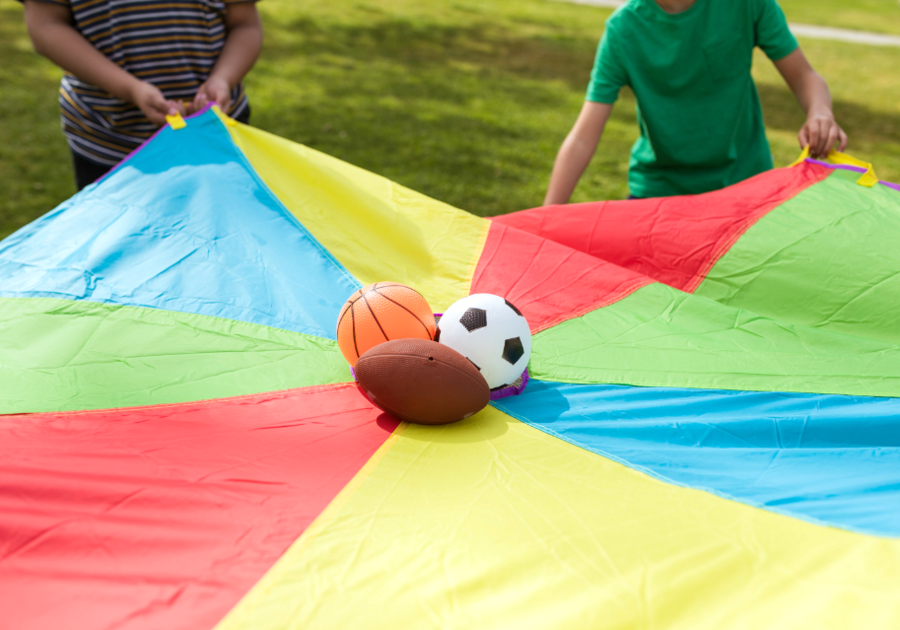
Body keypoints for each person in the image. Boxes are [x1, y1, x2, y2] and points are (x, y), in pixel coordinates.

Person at [544, 0, 848, 203]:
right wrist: (543, 220)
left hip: (748, 190)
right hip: (658, 196)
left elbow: (805, 76)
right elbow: (582, 138)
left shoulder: (747, 5)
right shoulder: (623, 30)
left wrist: (820, 112)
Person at [21, 0, 263, 190]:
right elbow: (45, 25)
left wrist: (223, 78)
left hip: (217, 133)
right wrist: (130, 89)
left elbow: (245, 23)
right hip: (109, 140)